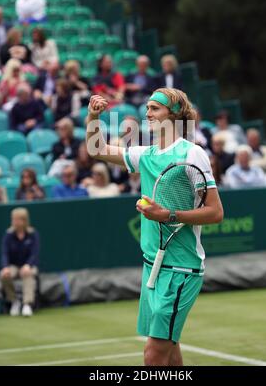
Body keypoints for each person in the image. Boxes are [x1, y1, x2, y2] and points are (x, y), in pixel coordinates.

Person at [86, 87, 223, 366]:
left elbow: (215, 212)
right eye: (147, 108)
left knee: (154, 354)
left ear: (173, 114)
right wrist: (93, 116)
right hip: (152, 265)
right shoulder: (145, 154)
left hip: (181, 268)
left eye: (155, 108)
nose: (147, 113)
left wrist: (168, 215)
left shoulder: (192, 154)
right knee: (169, 352)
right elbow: (96, 149)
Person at [0, 207, 39, 316]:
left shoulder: (33, 234)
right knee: (4, 275)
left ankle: (27, 304)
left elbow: (34, 254)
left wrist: (28, 265)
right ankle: (14, 302)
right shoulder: (8, 234)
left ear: (24, 221)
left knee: (28, 274)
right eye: (13, 219)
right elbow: (4, 253)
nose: (14, 222)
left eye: (16, 219)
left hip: (29, 265)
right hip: (13, 265)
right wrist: (5, 267)